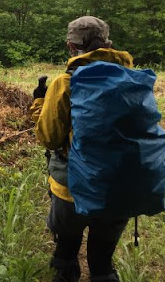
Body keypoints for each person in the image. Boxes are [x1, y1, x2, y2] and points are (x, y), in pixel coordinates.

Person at [29, 16, 131, 282]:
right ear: (109, 44)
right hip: (120, 184)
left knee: (67, 248)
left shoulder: (65, 82)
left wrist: (39, 103)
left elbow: (49, 138)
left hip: (72, 185)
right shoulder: (131, 78)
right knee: (102, 258)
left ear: (69, 46)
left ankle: (66, 271)